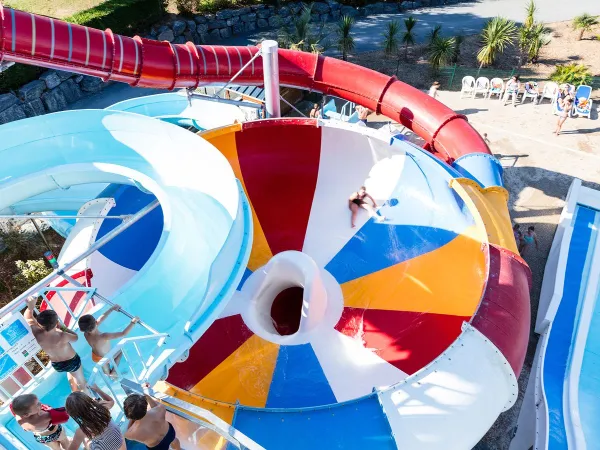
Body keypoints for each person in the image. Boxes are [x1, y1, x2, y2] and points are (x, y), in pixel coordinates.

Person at [24, 297, 85, 392]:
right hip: (72, 362)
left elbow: (28, 317)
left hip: (57, 365)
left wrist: (30, 307)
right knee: (81, 382)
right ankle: (86, 397)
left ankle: (74, 391)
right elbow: (75, 337)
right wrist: (63, 327)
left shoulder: (38, 334)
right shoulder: (62, 335)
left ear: (39, 324)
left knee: (71, 372)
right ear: (56, 323)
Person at [78, 305, 139, 378]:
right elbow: (123, 333)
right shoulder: (104, 336)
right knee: (120, 351)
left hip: (96, 357)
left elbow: (100, 319)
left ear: (81, 330)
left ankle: (109, 374)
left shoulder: (86, 334)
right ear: (95, 322)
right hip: (106, 357)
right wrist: (133, 322)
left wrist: (111, 309)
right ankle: (114, 371)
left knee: (106, 371)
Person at [65, 386, 126, 450]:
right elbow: (111, 401)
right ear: (88, 400)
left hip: (104, 448)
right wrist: (98, 390)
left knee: (85, 440)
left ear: (73, 414)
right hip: (120, 442)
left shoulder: (81, 431)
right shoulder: (102, 409)